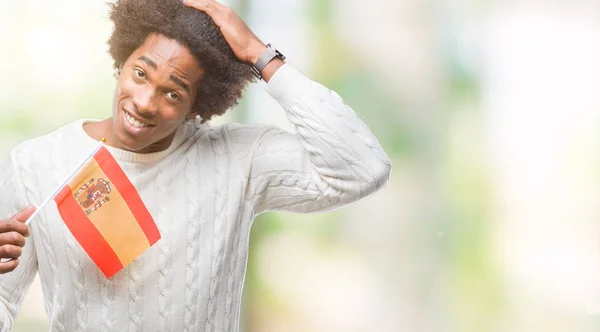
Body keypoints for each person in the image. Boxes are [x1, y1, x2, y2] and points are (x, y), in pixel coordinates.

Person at [0, 0, 392, 330]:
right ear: (123, 60)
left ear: (199, 105)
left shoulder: (239, 160)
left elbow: (363, 169)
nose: (144, 102)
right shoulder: (36, 163)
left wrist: (261, 55)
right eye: (140, 73)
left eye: (172, 92)